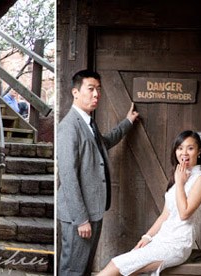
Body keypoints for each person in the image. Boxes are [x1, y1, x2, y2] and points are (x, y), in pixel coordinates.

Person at [57, 69, 139, 276]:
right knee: (73, 269)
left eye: (98, 90)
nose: (96, 95)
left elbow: (106, 141)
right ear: (75, 92)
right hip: (79, 215)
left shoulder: (88, 122)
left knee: (83, 268)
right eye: (91, 89)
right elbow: (67, 176)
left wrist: (127, 122)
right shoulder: (69, 127)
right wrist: (81, 219)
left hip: (93, 209)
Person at [97, 130, 201, 276]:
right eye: (180, 148)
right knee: (125, 266)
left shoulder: (200, 180)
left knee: (117, 265)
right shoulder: (178, 177)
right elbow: (165, 215)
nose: (184, 153)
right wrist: (147, 236)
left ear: (199, 152)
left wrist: (180, 183)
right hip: (161, 239)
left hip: (178, 244)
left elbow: (184, 214)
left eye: (190, 148)